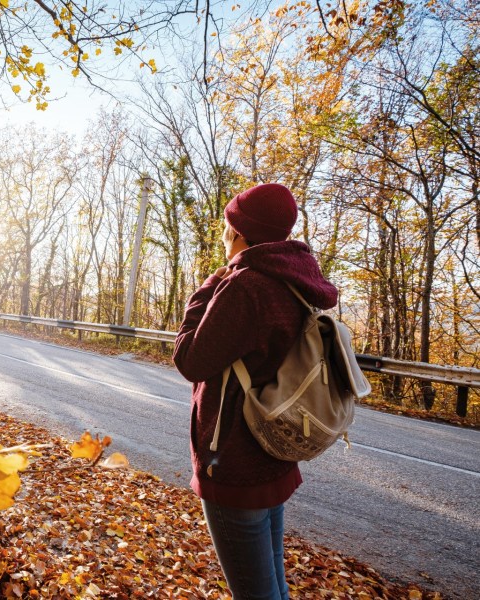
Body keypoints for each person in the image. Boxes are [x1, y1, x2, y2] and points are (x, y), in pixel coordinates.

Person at [172, 183, 338, 600]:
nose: (224, 234)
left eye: (228, 225)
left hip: (235, 461)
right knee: (273, 583)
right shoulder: (294, 277)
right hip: (273, 448)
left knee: (256, 592)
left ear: (240, 230)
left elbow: (190, 359)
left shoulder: (247, 286)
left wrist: (209, 286)